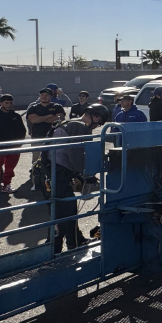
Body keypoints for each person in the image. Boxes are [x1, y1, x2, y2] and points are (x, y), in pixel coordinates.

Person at [48, 104, 109, 252]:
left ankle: (75, 241)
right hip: (58, 175)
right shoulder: (80, 127)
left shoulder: (70, 123)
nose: (97, 126)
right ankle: (53, 249)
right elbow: (74, 155)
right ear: (95, 117)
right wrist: (86, 175)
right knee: (64, 213)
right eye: (99, 122)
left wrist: (78, 174)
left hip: (53, 173)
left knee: (68, 210)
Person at [0, 94, 27, 193]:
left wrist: (19, 144)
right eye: (6, 103)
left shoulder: (16, 116)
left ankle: (7, 184)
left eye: (10, 103)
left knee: (10, 168)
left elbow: (22, 131)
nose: (9, 105)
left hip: (13, 147)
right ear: (1, 103)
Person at [26, 88, 66, 173]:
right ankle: (36, 178)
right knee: (36, 160)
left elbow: (59, 119)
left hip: (54, 138)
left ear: (51, 96)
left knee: (54, 160)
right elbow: (33, 120)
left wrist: (39, 118)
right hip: (37, 137)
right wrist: (49, 116)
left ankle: (52, 178)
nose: (44, 97)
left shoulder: (57, 107)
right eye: (42, 95)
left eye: (46, 95)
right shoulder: (33, 107)